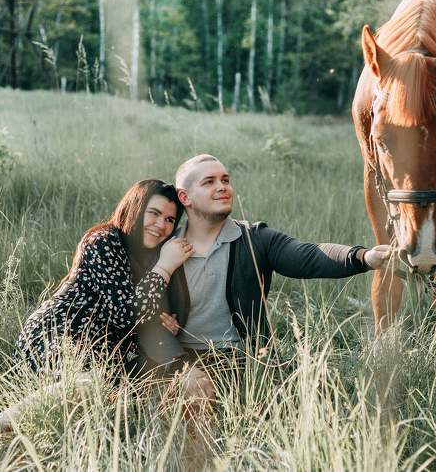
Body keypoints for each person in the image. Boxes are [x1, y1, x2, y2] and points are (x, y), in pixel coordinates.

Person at [136, 154, 392, 401]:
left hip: (246, 358)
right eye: (209, 182)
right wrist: (180, 367)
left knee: (323, 391)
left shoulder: (254, 238)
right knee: (190, 403)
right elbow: (145, 321)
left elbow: (308, 256)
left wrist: (364, 257)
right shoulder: (164, 248)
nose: (222, 187)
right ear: (185, 197)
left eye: (225, 180)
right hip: (182, 359)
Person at [13, 179, 194, 375]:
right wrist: (166, 266)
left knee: (149, 380)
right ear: (135, 209)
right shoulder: (103, 241)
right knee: (85, 387)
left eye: (170, 220)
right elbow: (126, 316)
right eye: (154, 213)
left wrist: (164, 325)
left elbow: (136, 314)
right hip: (56, 338)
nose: (160, 225)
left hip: (99, 354)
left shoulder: (148, 257)